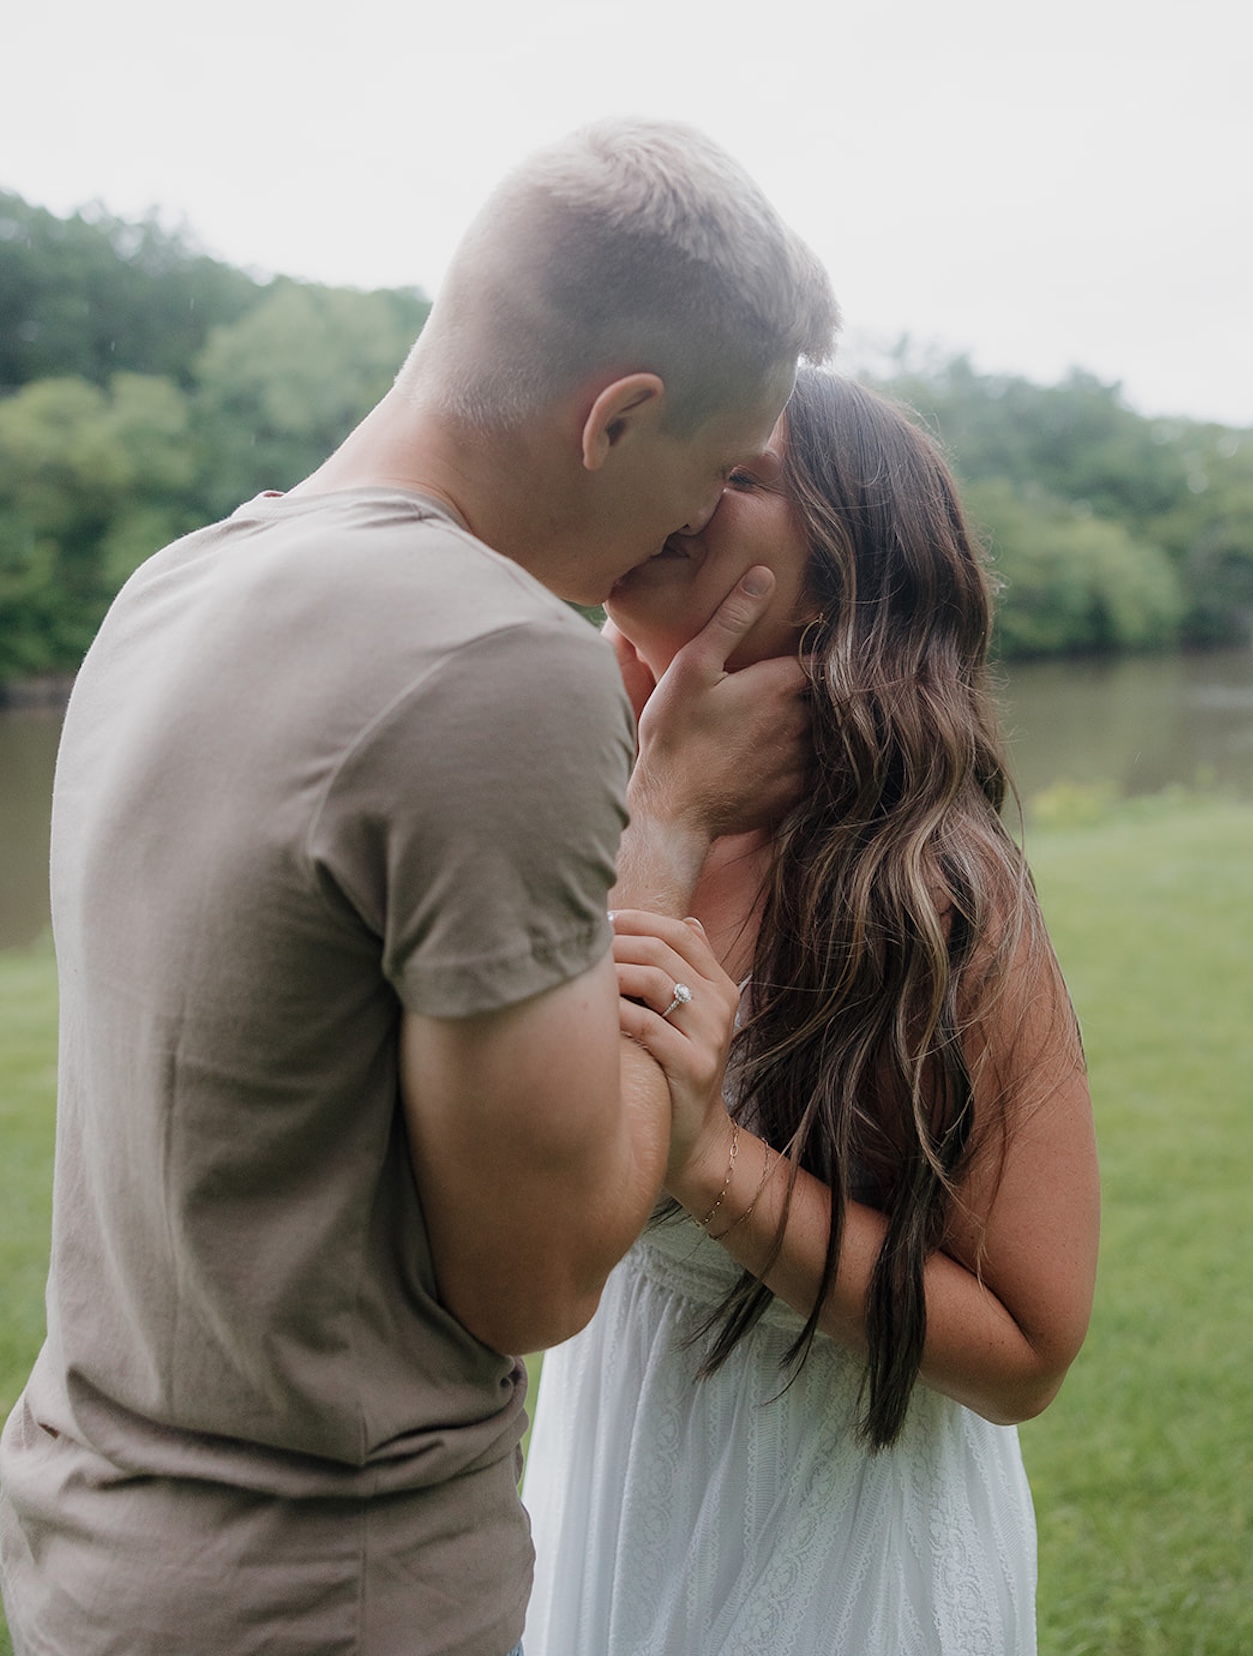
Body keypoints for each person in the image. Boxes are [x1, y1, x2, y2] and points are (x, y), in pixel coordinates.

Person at [0, 119, 839, 1656]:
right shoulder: (495, 662)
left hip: (86, 1541)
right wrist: (671, 837)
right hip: (327, 1587)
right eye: (711, 469)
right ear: (618, 417)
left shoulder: (175, 585)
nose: (695, 523)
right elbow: (533, 1275)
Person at [522, 367, 1101, 1656]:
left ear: (845, 569)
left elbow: (1027, 1352)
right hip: (609, 1473)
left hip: (834, 1540)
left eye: (742, 472)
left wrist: (711, 1162)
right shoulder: (565, 806)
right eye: (685, 452)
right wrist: (655, 816)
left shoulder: (934, 892)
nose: (686, 490)